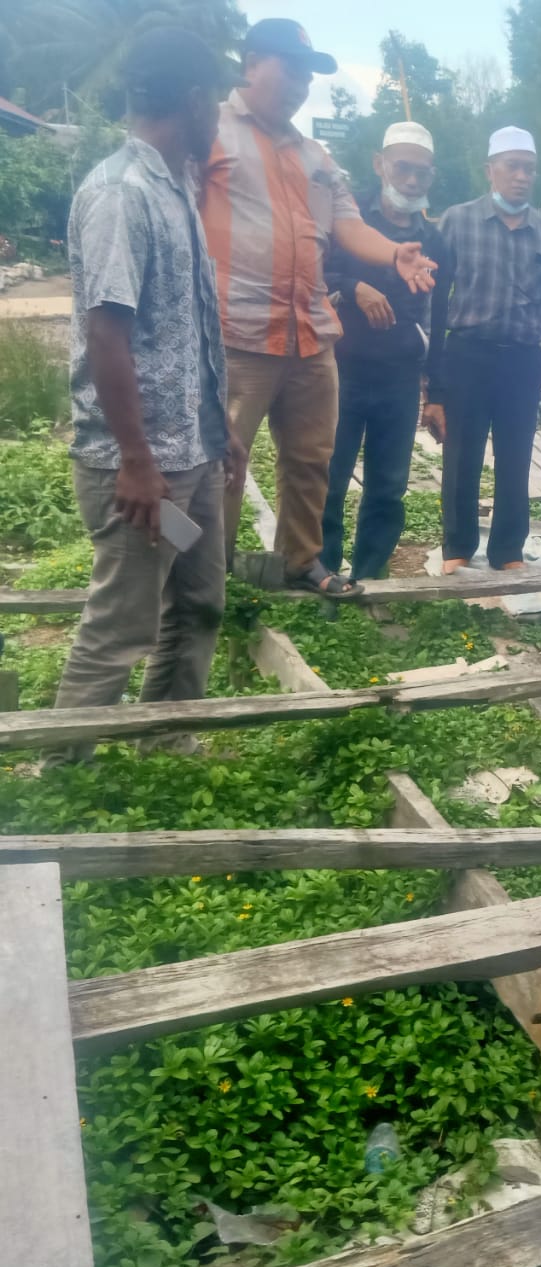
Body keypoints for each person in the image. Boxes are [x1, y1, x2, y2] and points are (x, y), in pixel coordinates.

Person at [50, 27, 246, 762]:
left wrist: (218, 425)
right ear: (194, 101)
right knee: (122, 622)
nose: (220, 118)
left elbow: (182, 326)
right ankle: (61, 774)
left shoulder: (175, 188)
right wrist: (135, 459)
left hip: (187, 465)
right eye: (218, 103)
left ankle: (165, 740)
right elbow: (107, 333)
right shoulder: (120, 193)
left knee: (197, 597)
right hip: (139, 476)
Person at [200, 18, 436, 597]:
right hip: (238, 331)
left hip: (308, 330)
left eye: (308, 74)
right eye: (291, 69)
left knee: (311, 457)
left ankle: (301, 560)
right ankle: (209, 573)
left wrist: (395, 255)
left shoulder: (315, 154)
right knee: (219, 461)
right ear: (251, 62)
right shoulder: (210, 132)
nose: (302, 84)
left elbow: (347, 223)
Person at [431, 126, 541, 574]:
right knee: (462, 453)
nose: (521, 176)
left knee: (515, 455)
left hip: (521, 359)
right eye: (512, 166)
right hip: (467, 354)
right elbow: (436, 296)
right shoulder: (457, 221)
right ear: (489, 170)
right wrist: (430, 370)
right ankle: (457, 546)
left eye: (529, 168)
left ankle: (508, 550)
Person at [320, 121, 451, 582]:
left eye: (423, 172)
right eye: (403, 168)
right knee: (328, 480)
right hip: (341, 371)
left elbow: (441, 314)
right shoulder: (348, 220)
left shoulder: (433, 240)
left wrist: (434, 389)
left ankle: (370, 579)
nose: (412, 180)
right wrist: (356, 287)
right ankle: (324, 576)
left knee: (389, 487)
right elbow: (316, 273)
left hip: (399, 377)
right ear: (380, 165)